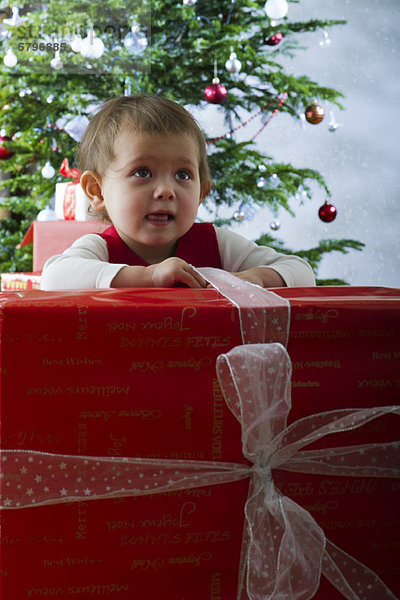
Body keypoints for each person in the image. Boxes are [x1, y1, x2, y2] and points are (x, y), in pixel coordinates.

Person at [40, 95, 315, 290]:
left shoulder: (216, 244)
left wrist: (256, 278)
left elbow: (301, 272)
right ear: (96, 190)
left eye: (182, 175)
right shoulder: (101, 249)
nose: (165, 191)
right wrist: (148, 277)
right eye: (143, 172)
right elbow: (53, 277)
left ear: (201, 193)